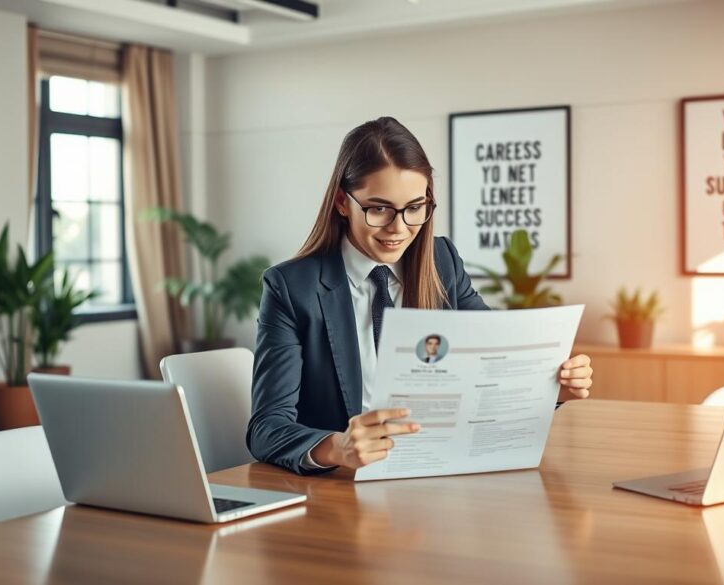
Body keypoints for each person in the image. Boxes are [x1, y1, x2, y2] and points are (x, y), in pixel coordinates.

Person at [248, 117, 593, 475]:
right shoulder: (291, 288)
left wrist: (554, 385)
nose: (399, 228)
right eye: (379, 209)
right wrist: (338, 447)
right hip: (343, 489)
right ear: (341, 202)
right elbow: (266, 429)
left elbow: (495, 361)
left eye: (415, 207)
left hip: (441, 474)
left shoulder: (442, 262)